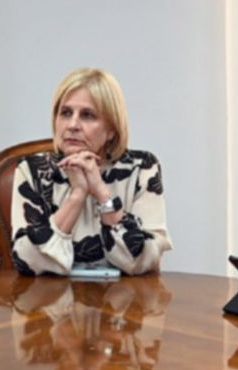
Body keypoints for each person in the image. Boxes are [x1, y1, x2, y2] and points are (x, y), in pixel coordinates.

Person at [11, 67, 170, 277]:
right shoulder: (32, 171)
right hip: (49, 303)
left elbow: (143, 260)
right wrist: (77, 195)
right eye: (65, 113)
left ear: (112, 129)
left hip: (126, 303)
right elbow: (28, 261)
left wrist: (101, 191)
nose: (72, 125)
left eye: (87, 115)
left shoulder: (141, 169)